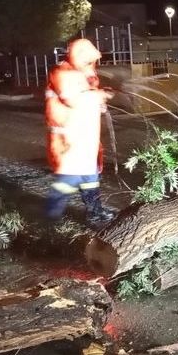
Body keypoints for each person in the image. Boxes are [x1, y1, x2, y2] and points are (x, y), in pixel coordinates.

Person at [45, 38, 116, 226]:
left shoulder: (85, 74)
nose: (92, 64)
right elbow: (73, 99)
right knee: (69, 178)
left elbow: (88, 99)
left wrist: (99, 103)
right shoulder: (63, 72)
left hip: (85, 139)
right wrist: (99, 95)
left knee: (90, 177)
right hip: (68, 141)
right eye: (88, 61)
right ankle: (50, 217)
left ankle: (94, 211)